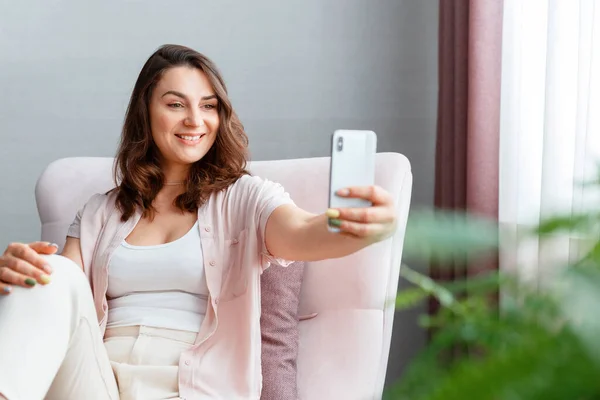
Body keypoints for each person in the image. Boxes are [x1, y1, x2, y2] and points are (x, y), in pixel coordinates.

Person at [0, 44, 397, 400]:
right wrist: (20, 274)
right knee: (47, 270)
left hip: (193, 386)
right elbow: (58, 298)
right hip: (96, 380)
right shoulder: (100, 212)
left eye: (208, 106)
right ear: (146, 112)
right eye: (175, 104)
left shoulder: (245, 197)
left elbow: (301, 233)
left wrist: (350, 228)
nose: (195, 120)